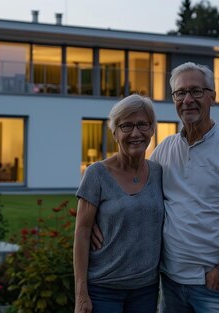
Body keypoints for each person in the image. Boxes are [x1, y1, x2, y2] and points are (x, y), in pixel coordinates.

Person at [93, 62, 219, 312]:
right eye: (180, 93)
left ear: (212, 97)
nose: (188, 99)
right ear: (174, 99)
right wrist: (93, 221)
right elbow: (135, 192)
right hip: (172, 281)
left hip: (216, 284)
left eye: (196, 91)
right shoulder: (165, 149)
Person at [73, 94, 165, 313]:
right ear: (114, 132)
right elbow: (82, 233)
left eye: (143, 124)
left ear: (152, 130)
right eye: (126, 126)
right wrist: (81, 292)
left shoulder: (159, 172)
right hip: (104, 289)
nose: (136, 133)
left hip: (146, 289)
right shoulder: (96, 174)